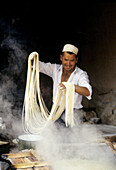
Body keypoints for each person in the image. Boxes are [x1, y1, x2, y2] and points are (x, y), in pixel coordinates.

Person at [29, 44, 92, 125]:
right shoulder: (55, 69)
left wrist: (71, 86)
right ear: (61, 58)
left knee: (73, 137)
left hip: (74, 113)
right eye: (66, 59)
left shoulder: (81, 74)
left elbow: (88, 91)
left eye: (72, 60)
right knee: (55, 135)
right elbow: (38, 66)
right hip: (56, 111)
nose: (68, 63)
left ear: (76, 60)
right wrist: (32, 59)